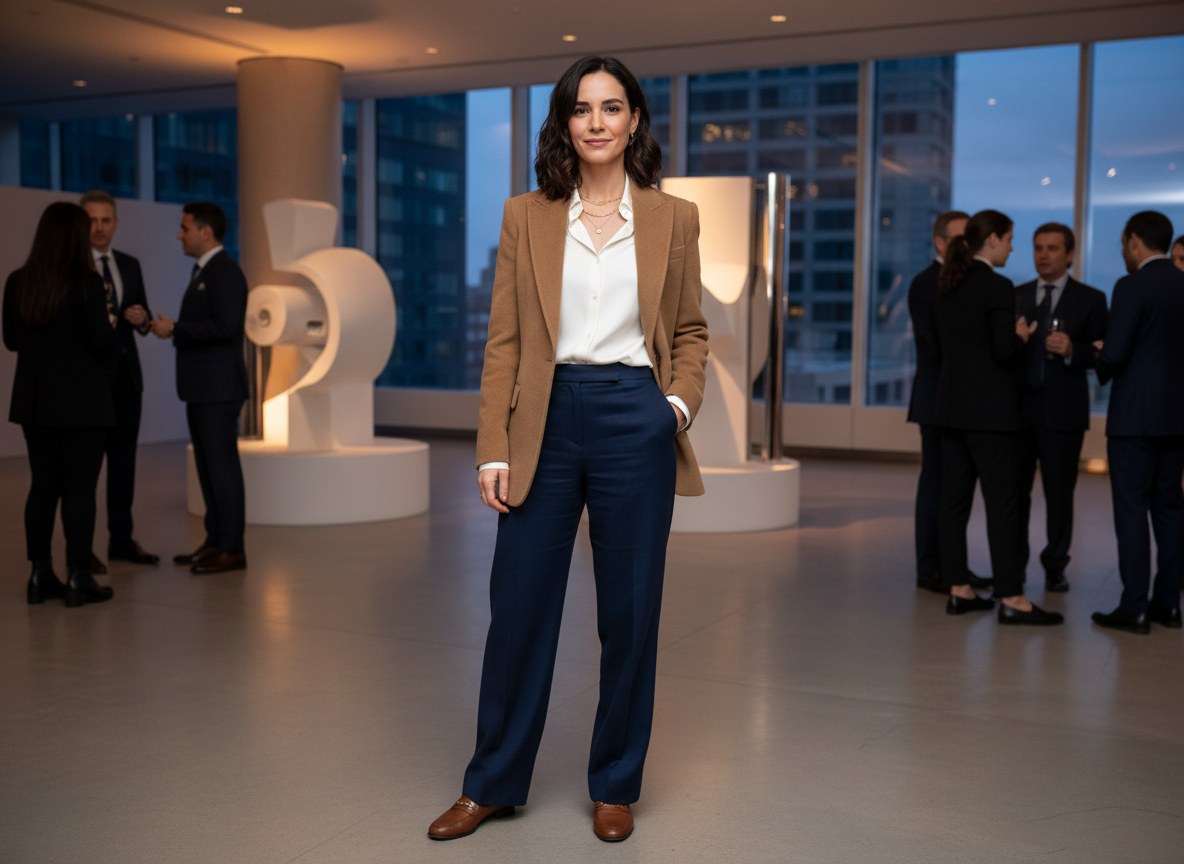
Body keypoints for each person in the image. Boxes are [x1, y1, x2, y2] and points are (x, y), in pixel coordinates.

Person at [427, 55, 708, 844]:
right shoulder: (527, 214)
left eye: (611, 108)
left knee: (630, 612)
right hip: (541, 420)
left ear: (634, 121)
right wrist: (492, 447)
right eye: (582, 109)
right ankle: (491, 783)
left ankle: (616, 782)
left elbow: (689, 331)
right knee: (517, 611)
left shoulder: (673, 217)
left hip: (633, 416)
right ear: (565, 122)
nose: (596, 122)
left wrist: (673, 409)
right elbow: (505, 343)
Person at [932, 209, 1062, 625]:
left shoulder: (947, 283)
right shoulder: (998, 286)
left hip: (951, 410)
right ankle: (1012, 598)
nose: (1011, 247)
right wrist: (1022, 336)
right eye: (1008, 239)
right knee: (1002, 506)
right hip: (992, 415)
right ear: (991, 241)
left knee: (953, 501)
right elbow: (1003, 352)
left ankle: (959, 590)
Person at [4, 202, 116, 606]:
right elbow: (101, 343)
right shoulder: (86, 282)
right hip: (83, 404)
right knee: (80, 491)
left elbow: (12, 341)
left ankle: (40, 575)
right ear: (75, 235)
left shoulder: (18, 281)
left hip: (35, 403)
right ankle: (79, 577)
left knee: (43, 487)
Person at [1091, 211, 1184, 634]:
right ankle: (1168, 605)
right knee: (1169, 510)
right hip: (1176, 417)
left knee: (1132, 511)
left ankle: (1134, 608)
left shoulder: (1131, 286)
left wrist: (1099, 354)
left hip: (1134, 419)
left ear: (1132, 241)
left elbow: (1115, 353)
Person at [150, 203, 249, 575]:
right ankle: (215, 540)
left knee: (222, 469)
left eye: (185, 228)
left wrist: (175, 329)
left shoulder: (225, 273)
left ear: (205, 232)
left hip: (218, 389)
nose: (180, 234)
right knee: (208, 469)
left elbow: (225, 327)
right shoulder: (204, 271)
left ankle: (232, 548)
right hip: (203, 388)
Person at [1014, 223, 1108, 593]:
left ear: (1069, 254)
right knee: (1015, 493)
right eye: (1038, 248)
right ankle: (1014, 564)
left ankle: (1055, 565)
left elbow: (1103, 355)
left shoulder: (1091, 299)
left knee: (1059, 493)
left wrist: (1073, 351)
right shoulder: (1016, 295)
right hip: (1019, 410)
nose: (1043, 255)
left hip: (1063, 412)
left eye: (1052, 248)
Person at [908, 210, 991, 594]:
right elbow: (935, 343)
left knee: (957, 488)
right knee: (937, 483)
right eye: (961, 239)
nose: (968, 247)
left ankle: (953, 566)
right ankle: (931, 568)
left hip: (961, 397)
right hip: (937, 396)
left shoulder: (965, 280)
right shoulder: (926, 283)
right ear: (940, 242)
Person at [80, 190, 161, 573]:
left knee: (123, 464)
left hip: (127, 379)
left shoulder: (129, 264)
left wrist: (141, 318)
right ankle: (81, 548)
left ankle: (121, 539)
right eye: (91, 220)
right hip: (89, 382)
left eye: (105, 220)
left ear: (115, 223)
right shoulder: (72, 266)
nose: (98, 227)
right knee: (86, 469)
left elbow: (142, 321)